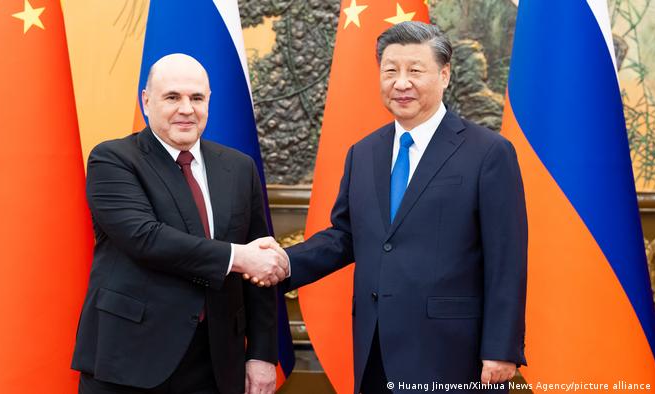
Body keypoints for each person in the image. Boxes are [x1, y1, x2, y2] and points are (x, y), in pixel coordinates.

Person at [280, 22, 528, 393]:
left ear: (444, 75)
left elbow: (506, 257)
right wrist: (284, 263)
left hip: (455, 354)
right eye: (390, 71)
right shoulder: (363, 153)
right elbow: (346, 236)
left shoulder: (488, 152)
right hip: (376, 346)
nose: (401, 82)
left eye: (415, 70)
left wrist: (500, 348)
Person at [72, 53, 288, 394]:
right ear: (146, 101)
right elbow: (145, 238)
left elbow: (258, 266)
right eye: (172, 97)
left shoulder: (239, 167)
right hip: (130, 361)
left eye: (197, 98)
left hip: (217, 364)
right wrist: (238, 257)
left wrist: (261, 355)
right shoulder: (112, 159)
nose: (186, 109)